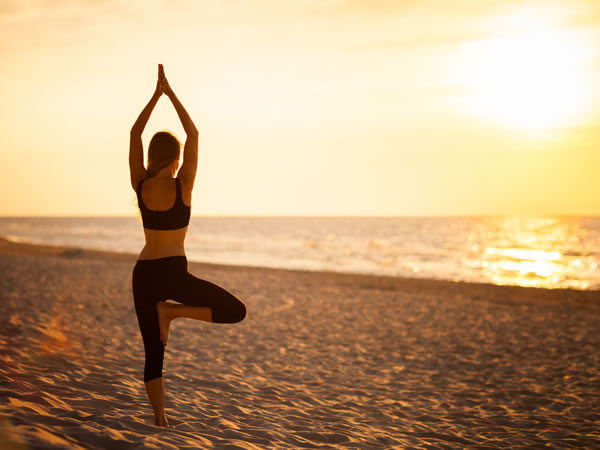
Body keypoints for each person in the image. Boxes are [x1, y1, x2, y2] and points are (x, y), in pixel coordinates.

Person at [129, 64, 246, 427]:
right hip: (174, 276)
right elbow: (193, 131)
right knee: (235, 310)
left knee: (153, 351)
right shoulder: (185, 186)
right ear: (177, 158)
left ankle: (160, 419)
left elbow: (135, 132)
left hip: (144, 273)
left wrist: (154, 96)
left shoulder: (141, 184)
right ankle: (174, 312)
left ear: (153, 156)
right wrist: (169, 93)